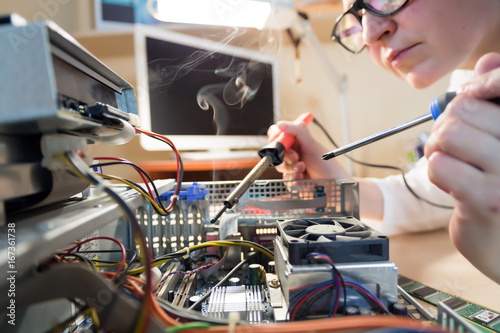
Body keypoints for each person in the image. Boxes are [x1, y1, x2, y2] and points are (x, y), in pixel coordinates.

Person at [267, 0, 500, 283]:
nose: (368, 35)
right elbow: (434, 193)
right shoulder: (469, 78)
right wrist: (338, 189)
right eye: (358, 16)